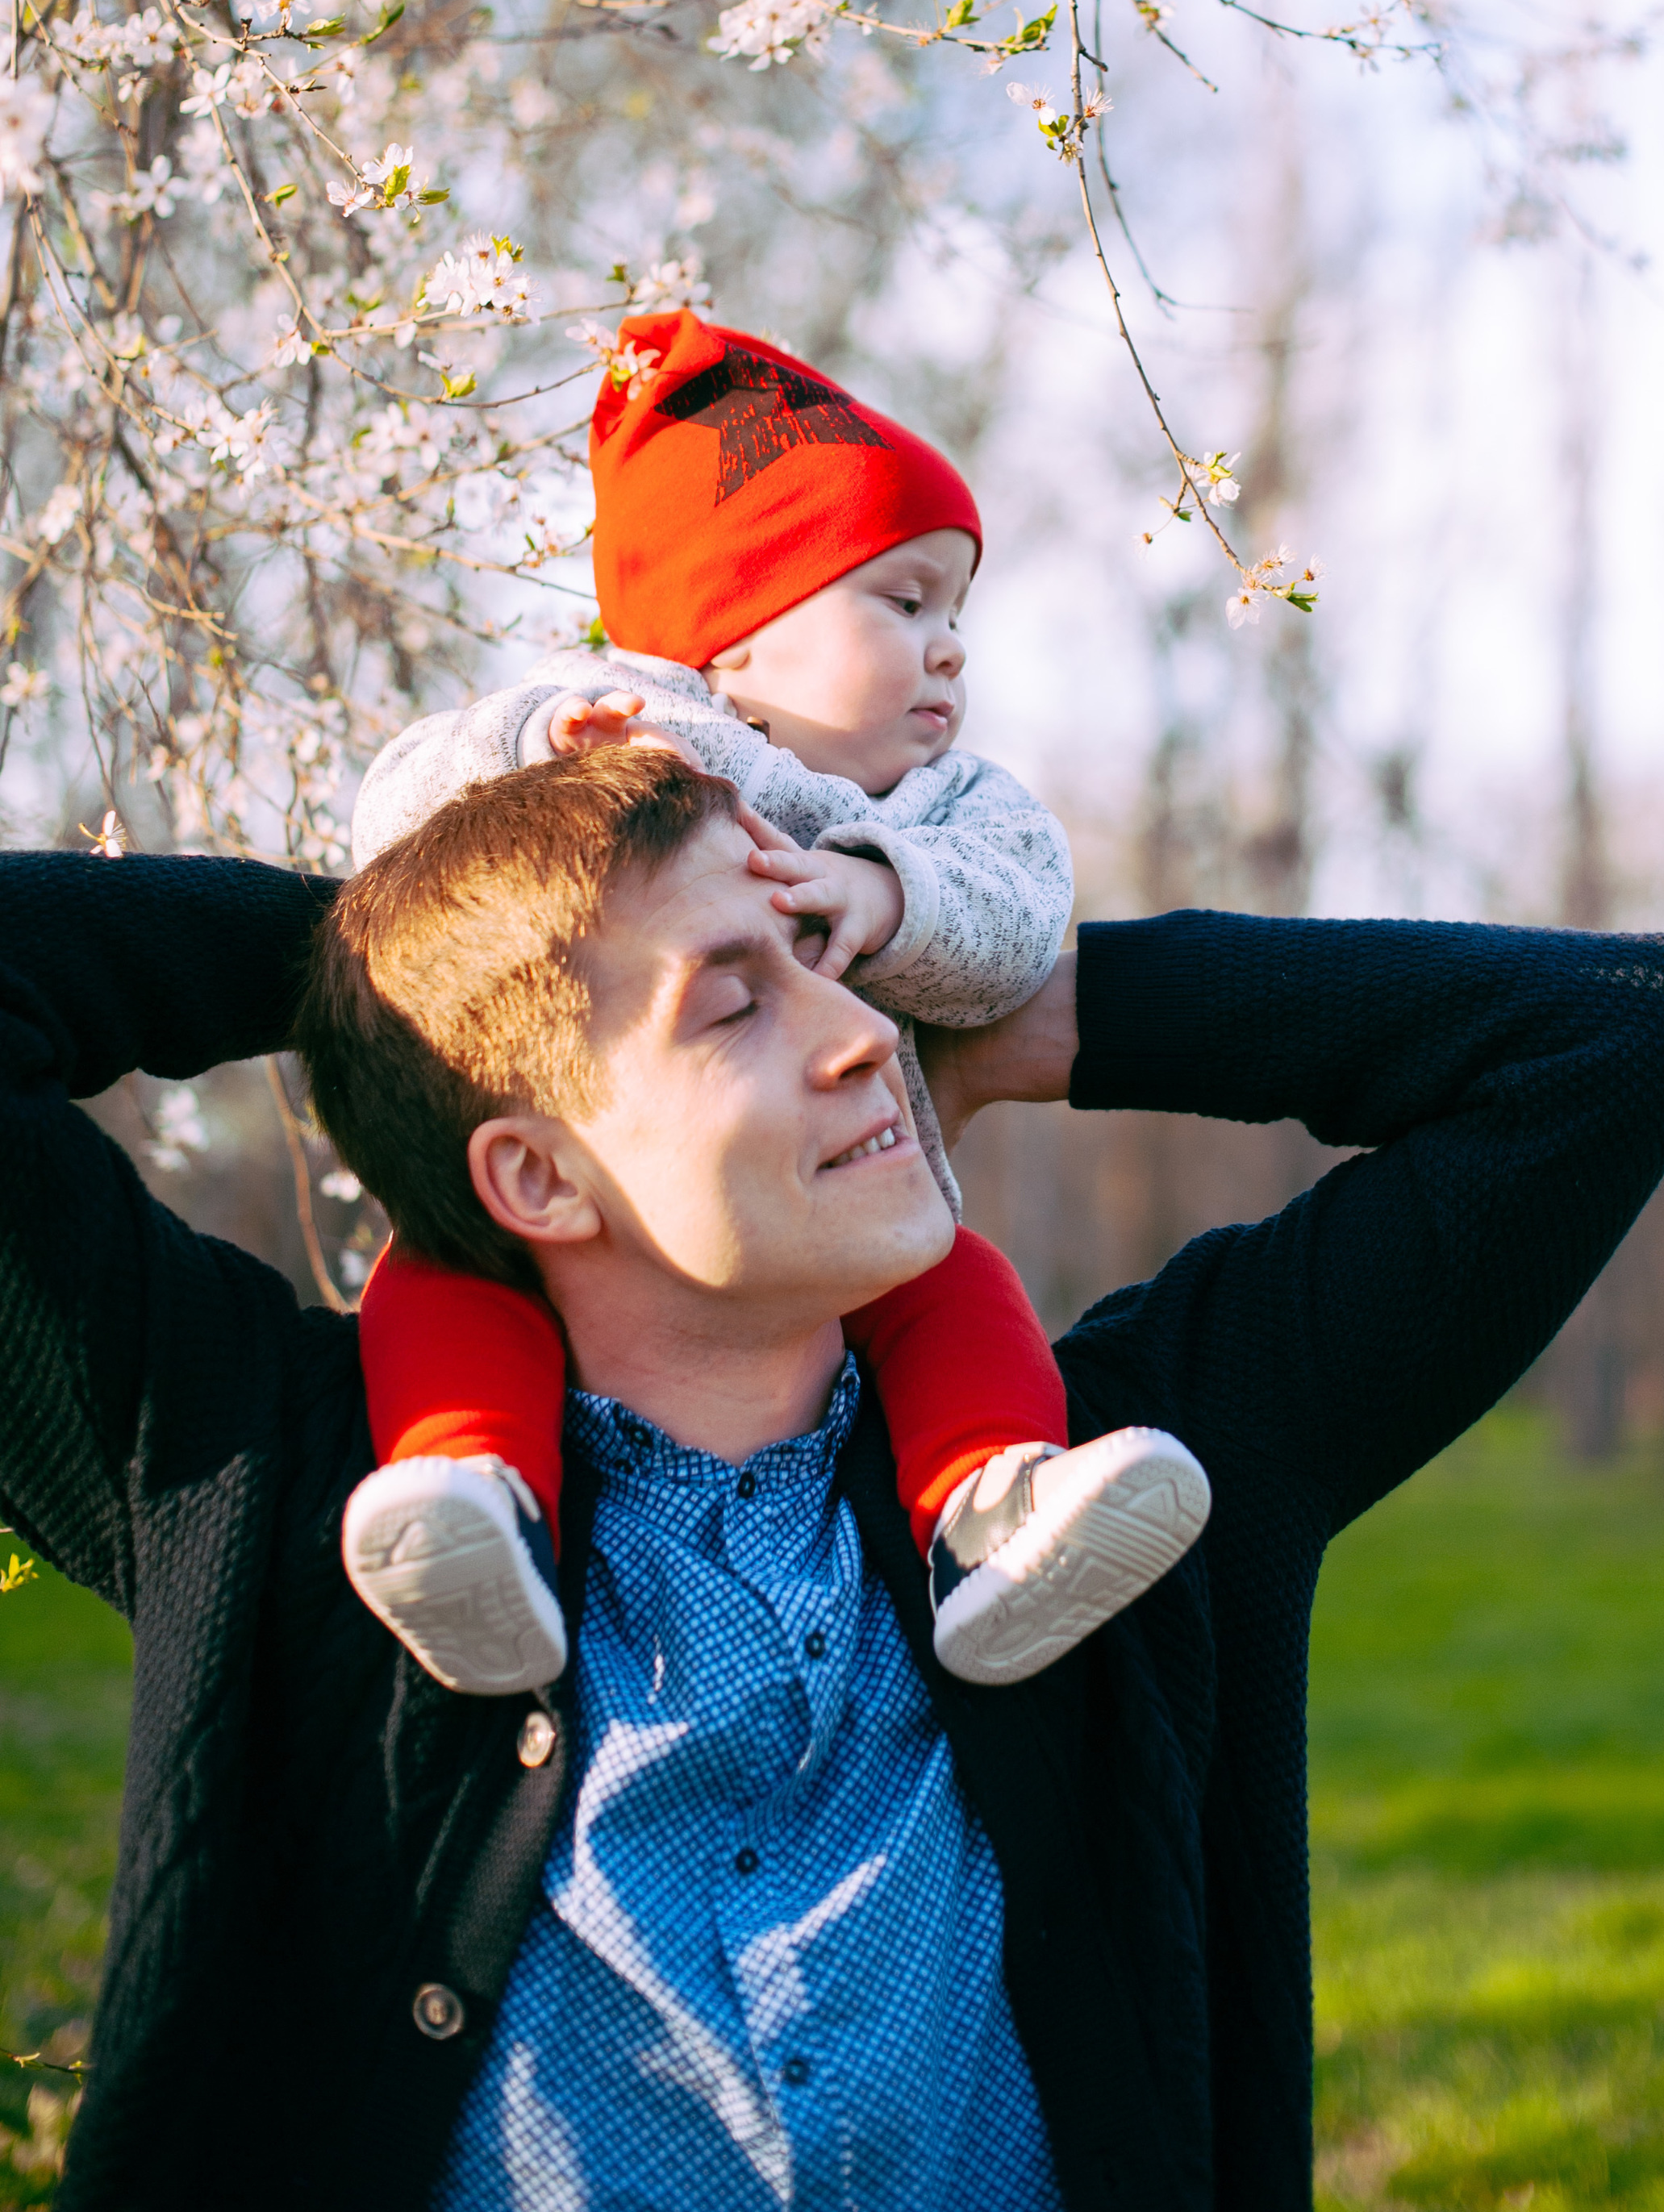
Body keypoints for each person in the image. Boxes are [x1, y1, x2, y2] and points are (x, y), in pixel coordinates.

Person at [0, 748, 1664, 2210]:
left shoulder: (1116, 1499)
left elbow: (1615, 1036)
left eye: (834, 970)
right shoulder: (286, 1498)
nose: (854, 1037)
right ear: (532, 1172)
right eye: (739, 1000)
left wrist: (1002, 993)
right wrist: (399, 970)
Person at [341, 310, 1207, 1698]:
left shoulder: (943, 809)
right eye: (902, 603)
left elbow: (1015, 923)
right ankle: (473, 1502)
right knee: (438, 1280)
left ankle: (989, 1515)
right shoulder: (620, 731)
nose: (949, 654)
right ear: (733, 644)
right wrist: (521, 751)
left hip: (860, 1205)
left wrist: (888, 892)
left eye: (956, 616)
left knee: (961, 1291)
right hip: (588, 1199)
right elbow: (398, 847)